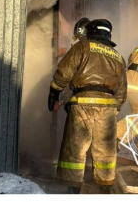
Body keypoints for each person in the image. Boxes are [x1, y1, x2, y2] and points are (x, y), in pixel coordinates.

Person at [48, 19, 127, 193]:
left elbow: (65, 71)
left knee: (76, 147)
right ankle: (105, 187)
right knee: (105, 150)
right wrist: (115, 108)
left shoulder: (82, 47)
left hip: (82, 103)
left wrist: (54, 90)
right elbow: (121, 91)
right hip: (108, 107)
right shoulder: (118, 57)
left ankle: (73, 189)